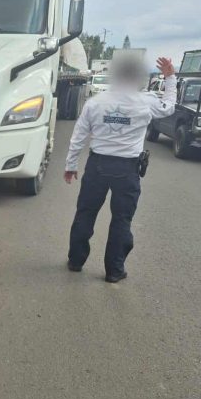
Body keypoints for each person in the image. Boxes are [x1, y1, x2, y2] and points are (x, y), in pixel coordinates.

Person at [64, 56, 176, 283]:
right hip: (127, 168)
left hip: (97, 166)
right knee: (121, 220)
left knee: (85, 213)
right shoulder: (146, 101)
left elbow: (79, 136)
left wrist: (71, 165)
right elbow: (169, 106)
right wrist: (170, 78)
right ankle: (114, 271)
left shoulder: (96, 102)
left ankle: (76, 261)